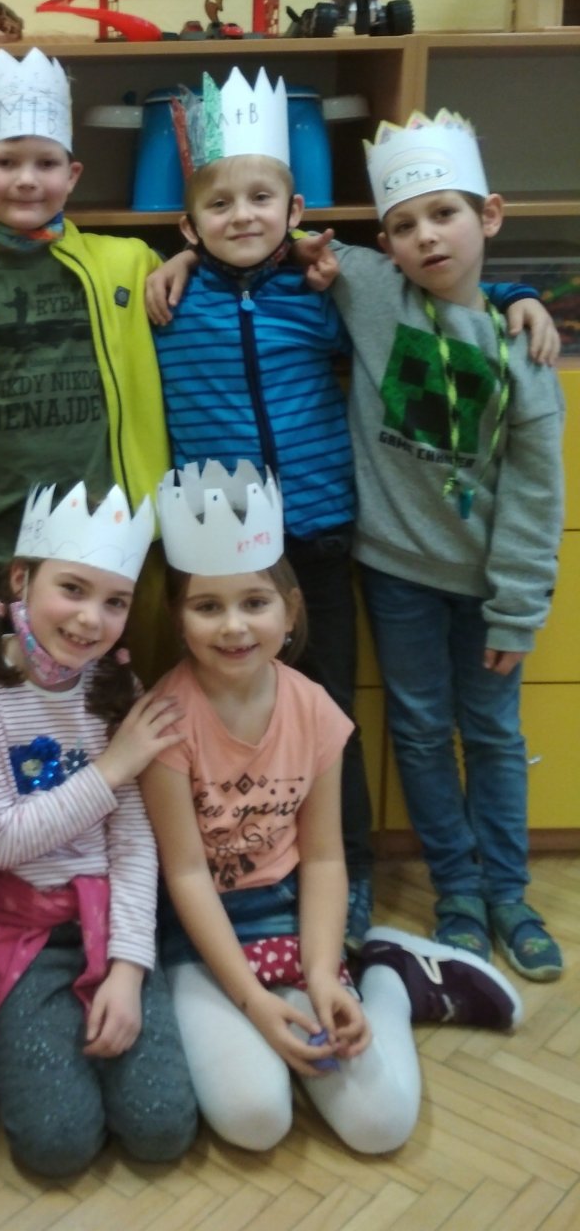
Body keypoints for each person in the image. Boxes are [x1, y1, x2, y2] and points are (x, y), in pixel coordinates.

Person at [145, 67, 557, 951]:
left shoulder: (328, 292)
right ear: (188, 224)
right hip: (217, 549)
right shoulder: (171, 304)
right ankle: (236, 870)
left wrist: (520, 293)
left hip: (326, 535)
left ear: (295, 211)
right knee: (223, 714)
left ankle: (356, 871)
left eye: (264, 199)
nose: (243, 216)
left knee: (334, 712)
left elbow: (436, 285)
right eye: (220, 205)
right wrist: (179, 263)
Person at [141, 460, 523, 1155]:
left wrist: (320, 975)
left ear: (290, 610)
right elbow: (186, 875)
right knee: (255, 1119)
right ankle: (276, 1012)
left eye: (255, 602)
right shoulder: (165, 722)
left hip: (293, 918)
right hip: (200, 938)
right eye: (208, 606)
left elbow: (322, 857)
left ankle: (389, 978)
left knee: (380, 1126)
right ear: (177, 616)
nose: (234, 626)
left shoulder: (314, 709)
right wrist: (254, 1001)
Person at [322, 110, 566, 981]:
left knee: (493, 734)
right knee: (422, 733)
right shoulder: (371, 291)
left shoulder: (524, 350)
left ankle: (509, 893)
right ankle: (457, 891)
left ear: (489, 216)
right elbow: (278, 238)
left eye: (445, 215)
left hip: (488, 587)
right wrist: (182, 258)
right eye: (403, 224)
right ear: (384, 242)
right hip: (397, 575)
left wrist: (518, 607)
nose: (426, 236)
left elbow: (536, 496)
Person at [0, 47, 171, 763]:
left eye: (46, 163)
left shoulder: (128, 262)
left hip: (99, 538)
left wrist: (199, 255)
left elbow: (241, 254)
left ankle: (96, 832)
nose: (26, 179)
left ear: (72, 175)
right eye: (6, 161)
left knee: (103, 704)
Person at [0, 481, 198, 1177]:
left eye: (115, 602)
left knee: (161, 1128)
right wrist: (113, 767)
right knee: (56, 1145)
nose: (91, 619)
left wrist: (129, 969)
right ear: (20, 580)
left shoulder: (118, 690)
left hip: (112, 923)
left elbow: (134, 844)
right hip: (20, 933)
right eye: (73, 590)